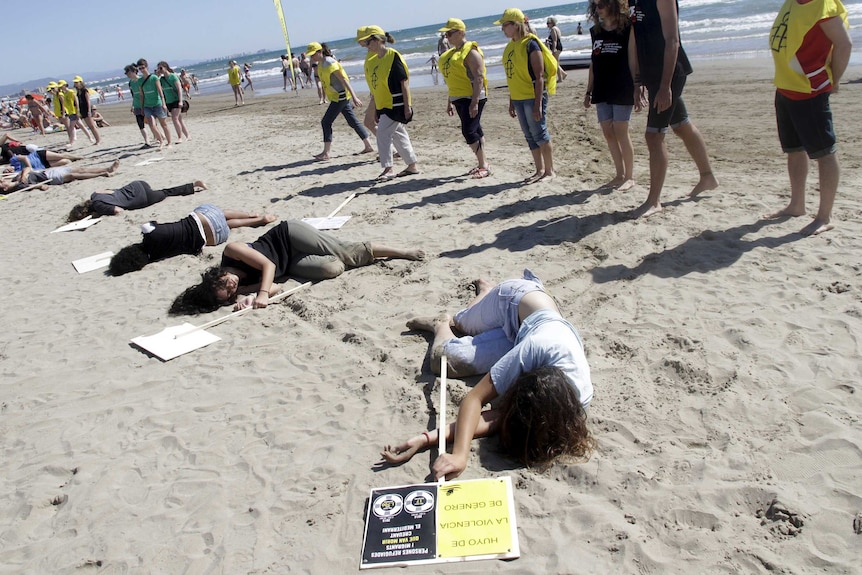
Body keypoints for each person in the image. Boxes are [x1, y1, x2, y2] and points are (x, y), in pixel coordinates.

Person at [381, 270, 594, 480]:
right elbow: (474, 399)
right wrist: (460, 454)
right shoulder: (530, 352)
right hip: (513, 300)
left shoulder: (577, 399)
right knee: (460, 326)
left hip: (528, 329)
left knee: (448, 358)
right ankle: (468, 305)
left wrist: (426, 438)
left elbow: (498, 419)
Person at [169, 220, 426, 315]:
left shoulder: (231, 252)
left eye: (226, 284)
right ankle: (340, 254)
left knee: (346, 253)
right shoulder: (237, 291)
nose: (232, 286)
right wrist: (248, 297)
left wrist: (259, 295)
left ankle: (401, 252)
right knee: (332, 268)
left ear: (217, 276)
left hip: (288, 236)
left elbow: (268, 265)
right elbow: (276, 285)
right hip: (290, 263)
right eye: (228, 292)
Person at [764, 0, 851, 236]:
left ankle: (825, 216)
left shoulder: (822, 6)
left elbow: (844, 45)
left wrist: (834, 81)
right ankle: (796, 205)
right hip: (785, 87)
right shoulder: (793, 2)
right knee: (794, 149)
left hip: (810, 90)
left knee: (824, 152)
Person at [628, 0, 718, 218]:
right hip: (651, 74)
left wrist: (665, 86)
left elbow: (672, 40)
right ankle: (708, 177)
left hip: (669, 74)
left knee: (653, 136)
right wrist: (638, 81)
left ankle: (653, 201)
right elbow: (636, 41)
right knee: (681, 125)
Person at [109, 206, 276, 275]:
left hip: (215, 238)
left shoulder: (154, 257)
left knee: (226, 225)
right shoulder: (148, 232)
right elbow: (152, 223)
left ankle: (255, 221)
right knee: (216, 212)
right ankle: (251, 216)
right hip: (202, 220)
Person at [496, 8, 559, 183]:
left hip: (532, 96)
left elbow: (539, 76)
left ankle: (549, 171)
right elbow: (512, 75)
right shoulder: (510, 47)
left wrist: (538, 103)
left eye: (505, 25)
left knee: (539, 132)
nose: (502, 29)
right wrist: (511, 100)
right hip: (518, 97)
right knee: (529, 135)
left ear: (516, 25)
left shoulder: (531, 44)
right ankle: (539, 170)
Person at [584, 0, 637, 191]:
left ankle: (629, 177)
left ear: (613, 4)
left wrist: (638, 85)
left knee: (621, 130)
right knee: (608, 132)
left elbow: (633, 59)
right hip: (602, 87)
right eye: (595, 5)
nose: (598, 8)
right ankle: (619, 174)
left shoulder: (627, 27)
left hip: (622, 85)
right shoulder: (595, 31)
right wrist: (588, 91)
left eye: (602, 4)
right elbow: (593, 63)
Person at [357, 25, 420, 181]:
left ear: (378, 40)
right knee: (398, 134)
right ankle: (412, 166)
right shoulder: (376, 59)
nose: (366, 46)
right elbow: (379, 86)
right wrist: (378, 109)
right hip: (384, 104)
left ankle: (388, 168)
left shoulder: (392, 55)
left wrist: (407, 105)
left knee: (383, 134)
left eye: (368, 42)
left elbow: (403, 81)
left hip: (396, 103)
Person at [438, 18, 491, 179]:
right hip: (459, 97)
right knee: (476, 130)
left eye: (450, 33)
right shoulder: (452, 54)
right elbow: (452, 80)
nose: (447, 37)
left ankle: (484, 165)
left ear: (460, 32)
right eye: (445, 34)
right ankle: (483, 163)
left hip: (472, 97)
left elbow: (479, 77)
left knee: (468, 131)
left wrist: (474, 102)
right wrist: (449, 101)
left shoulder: (471, 51)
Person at [306, 42, 374, 160]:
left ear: (319, 52)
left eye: (313, 54)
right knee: (352, 121)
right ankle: (368, 146)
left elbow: (343, 79)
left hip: (341, 96)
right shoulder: (321, 64)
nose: (312, 57)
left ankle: (326, 153)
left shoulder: (329, 62)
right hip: (337, 97)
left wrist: (354, 97)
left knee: (326, 122)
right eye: (310, 55)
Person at [68, 178, 205, 221]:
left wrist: (99, 214)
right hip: (136, 185)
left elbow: (118, 210)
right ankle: (194, 184)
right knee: (163, 192)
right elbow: (110, 191)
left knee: (167, 192)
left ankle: (193, 185)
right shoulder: (94, 194)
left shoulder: (99, 206)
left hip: (142, 197)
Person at [1, 159, 119, 193]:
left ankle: (107, 169)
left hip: (47, 172)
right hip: (49, 179)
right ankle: (102, 173)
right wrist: (38, 186)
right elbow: (38, 187)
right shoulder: (20, 187)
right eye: (1, 183)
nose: (2, 180)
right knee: (74, 175)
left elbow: (27, 168)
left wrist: (24, 174)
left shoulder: (16, 179)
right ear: (5, 188)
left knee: (80, 169)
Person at [136, 59, 171, 147]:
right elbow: (141, 95)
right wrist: (142, 107)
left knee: (163, 124)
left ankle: (169, 142)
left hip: (157, 104)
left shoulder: (154, 78)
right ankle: (161, 141)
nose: (142, 70)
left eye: (143, 68)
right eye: (140, 69)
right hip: (147, 105)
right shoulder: (140, 81)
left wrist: (164, 103)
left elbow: (160, 91)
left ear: (147, 67)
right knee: (152, 125)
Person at [157, 61, 190, 142]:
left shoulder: (173, 77)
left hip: (176, 100)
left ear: (166, 67)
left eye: (161, 68)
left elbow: (179, 89)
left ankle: (179, 137)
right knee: (179, 119)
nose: (159, 70)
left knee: (174, 118)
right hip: (169, 102)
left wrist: (180, 101)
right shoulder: (161, 79)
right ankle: (188, 136)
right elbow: (160, 89)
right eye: (158, 68)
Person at [124, 64, 155, 147]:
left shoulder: (141, 80)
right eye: (126, 73)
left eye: (128, 73)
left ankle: (160, 137)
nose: (127, 75)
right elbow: (133, 95)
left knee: (151, 123)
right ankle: (147, 141)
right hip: (137, 106)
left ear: (134, 71)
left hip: (145, 105)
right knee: (141, 124)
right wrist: (132, 106)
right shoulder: (130, 83)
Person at [59, 80, 95, 148]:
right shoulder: (65, 93)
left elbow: (76, 101)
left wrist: (77, 111)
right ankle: (90, 138)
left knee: (71, 127)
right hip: (70, 112)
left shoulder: (71, 92)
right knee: (81, 126)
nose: (61, 87)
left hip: (74, 111)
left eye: (61, 86)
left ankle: (72, 142)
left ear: (65, 85)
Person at [73, 75, 101, 145]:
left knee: (92, 126)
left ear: (81, 82)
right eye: (75, 83)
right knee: (89, 126)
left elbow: (88, 101)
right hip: (82, 109)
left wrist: (89, 111)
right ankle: (96, 139)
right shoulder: (78, 91)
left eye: (77, 82)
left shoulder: (84, 90)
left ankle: (98, 139)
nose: (76, 84)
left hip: (87, 109)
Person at [546, 17, 568, 82]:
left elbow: (555, 40)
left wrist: (553, 49)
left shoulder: (553, 29)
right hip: (559, 46)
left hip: (557, 47)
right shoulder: (557, 28)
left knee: (555, 63)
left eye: (548, 23)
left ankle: (560, 78)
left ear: (552, 23)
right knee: (556, 62)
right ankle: (563, 74)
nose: (547, 25)